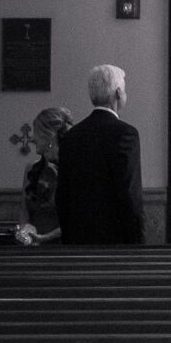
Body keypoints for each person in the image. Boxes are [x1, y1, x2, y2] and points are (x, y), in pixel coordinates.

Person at [56, 65, 146, 245]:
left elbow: (62, 196)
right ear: (118, 93)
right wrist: (138, 242)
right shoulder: (126, 134)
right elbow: (129, 194)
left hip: (77, 240)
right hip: (115, 241)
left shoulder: (71, 136)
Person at [22, 105, 72, 242]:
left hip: (64, 246)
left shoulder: (74, 170)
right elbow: (24, 209)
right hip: (35, 247)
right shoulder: (32, 169)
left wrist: (44, 238)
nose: (32, 138)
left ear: (49, 136)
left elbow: (77, 218)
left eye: (36, 132)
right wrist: (24, 232)